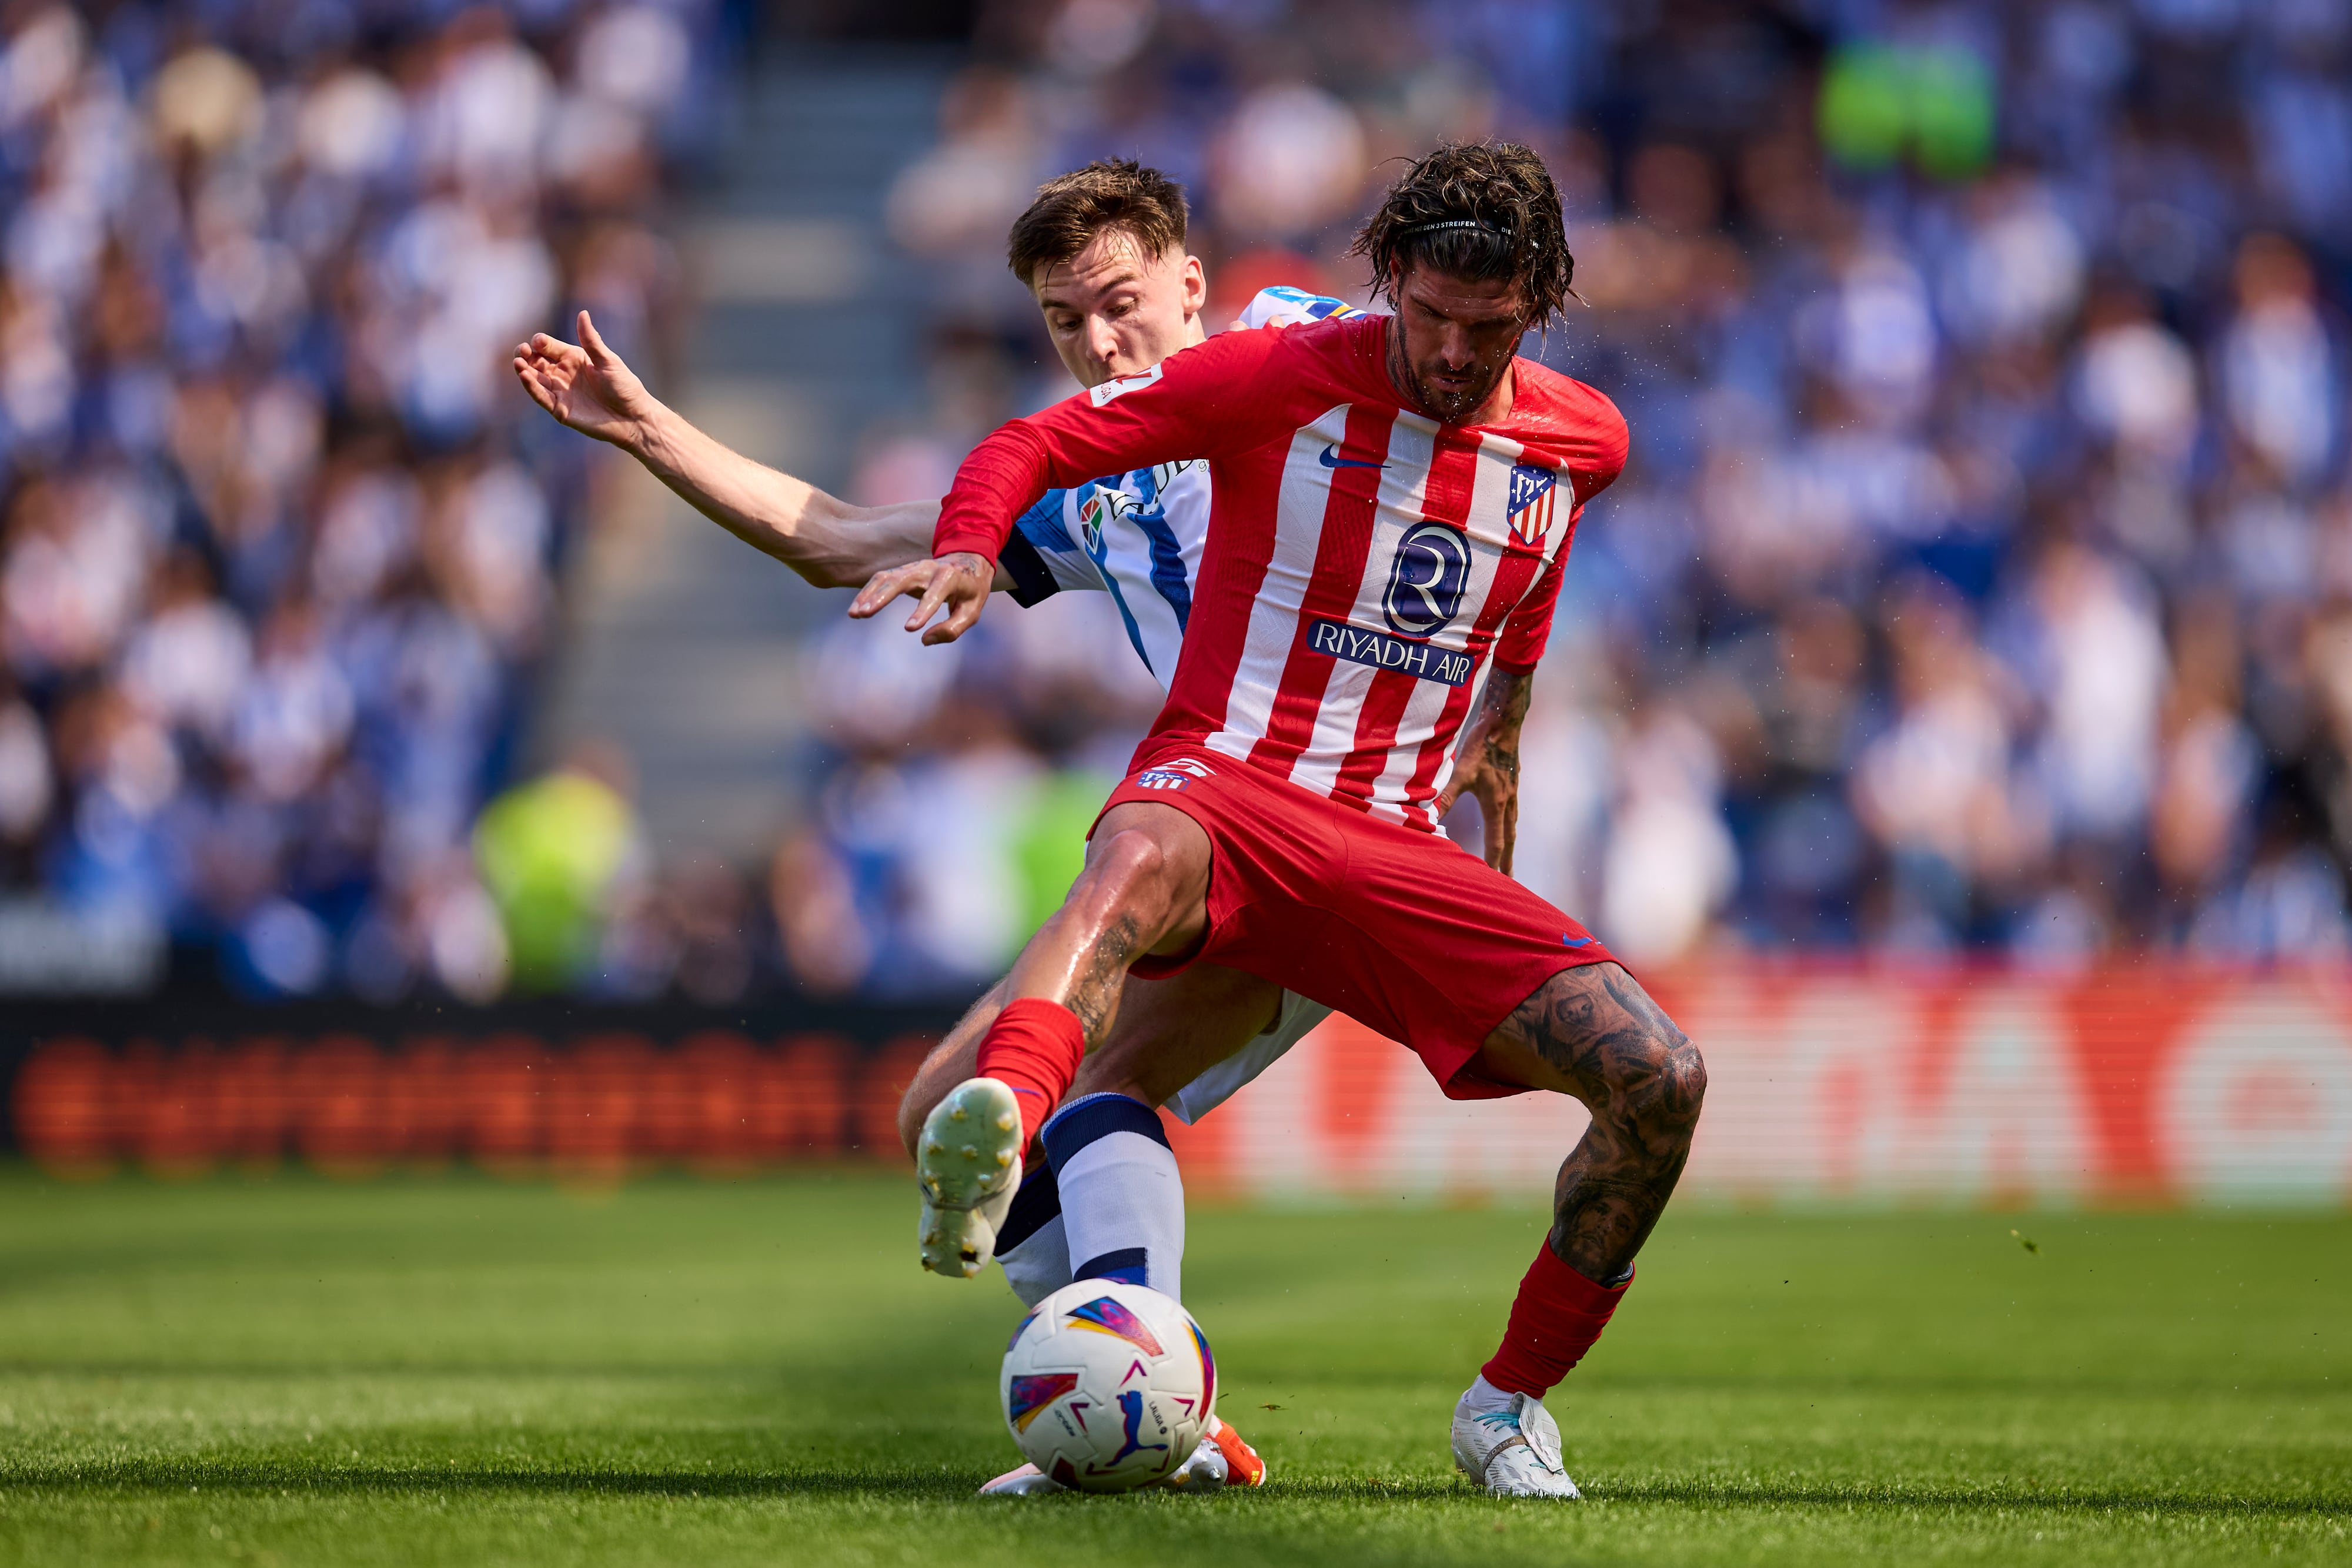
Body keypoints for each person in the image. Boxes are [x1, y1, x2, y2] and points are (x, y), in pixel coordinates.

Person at [514, 159, 1534, 1493]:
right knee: (949, 1109)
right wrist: (656, 434)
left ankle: (1161, 1407)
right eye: (1064, 321)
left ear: (1188, 278)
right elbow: (844, 540)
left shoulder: (1301, 347)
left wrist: (1490, 704)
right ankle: (1163, 1403)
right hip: (1213, 831)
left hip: (1330, 824)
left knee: (1080, 1090)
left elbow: (1482, 413)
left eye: (1120, 304)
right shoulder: (1103, 485)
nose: (1098, 343)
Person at [860, 142, 1706, 1500]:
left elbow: (1527, 550)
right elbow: (1037, 442)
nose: (1440, 348)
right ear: (1385, 286)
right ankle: (1008, 1114)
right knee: (1125, 862)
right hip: (1233, 782)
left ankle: (1504, 1406)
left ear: (1536, 305)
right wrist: (970, 538)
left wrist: (1505, 716)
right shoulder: (1285, 373)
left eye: (1478, 328)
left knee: (1659, 1078)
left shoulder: (1582, 438)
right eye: (1420, 314)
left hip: (1394, 840)